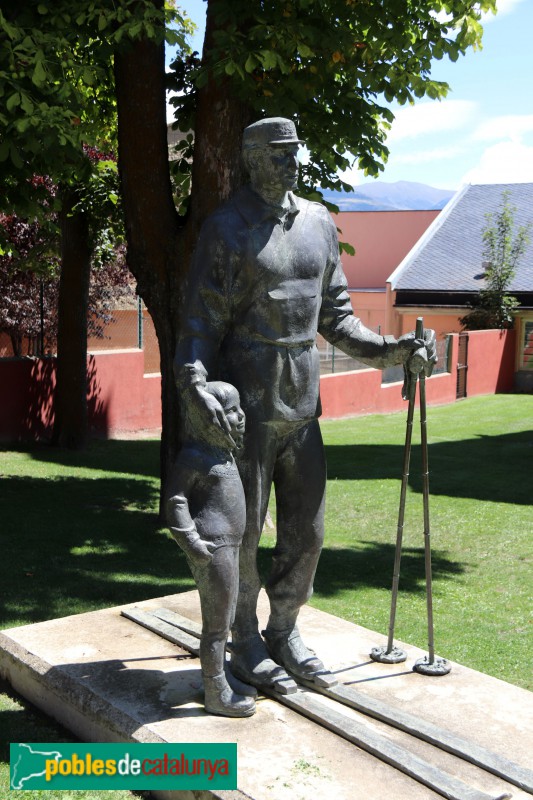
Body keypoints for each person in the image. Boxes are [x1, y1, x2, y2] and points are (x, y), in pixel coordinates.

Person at [174, 117, 437, 690]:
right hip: (245, 409)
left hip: (301, 405)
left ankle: (284, 628)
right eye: (275, 154)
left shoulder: (317, 221)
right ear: (248, 158)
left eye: (293, 153)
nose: (288, 163)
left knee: (308, 531)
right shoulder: (227, 228)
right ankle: (243, 638)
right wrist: (194, 382)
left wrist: (396, 350)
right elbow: (198, 323)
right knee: (244, 532)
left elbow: (338, 319)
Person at [166, 381, 257, 716]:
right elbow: (175, 500)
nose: (240, 416)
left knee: (229, 615)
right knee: (217, 622)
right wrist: (190, 540)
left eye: (238, 407)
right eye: (231, 410)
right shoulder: (195, 456)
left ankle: (222, 676)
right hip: (212, 546)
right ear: (209, 417)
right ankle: (216, 690)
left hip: (230, 545)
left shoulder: (224, 452)